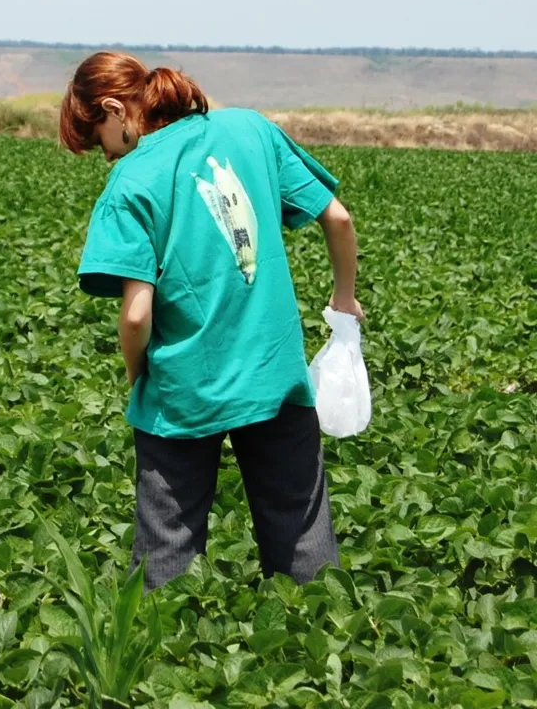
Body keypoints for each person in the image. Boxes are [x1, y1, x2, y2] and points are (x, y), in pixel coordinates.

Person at [58, 52, 362, 591]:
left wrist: (137, 378)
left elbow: (135, 315)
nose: (104, 154)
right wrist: (343, 301)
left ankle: (161, 665)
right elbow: (337, 217)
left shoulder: (131, 180)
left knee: (167, 550)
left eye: (97, 138)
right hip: (275, 373)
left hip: (184, 386)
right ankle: (324, 643)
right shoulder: (250, 128)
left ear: (113, 109)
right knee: (301, 531)